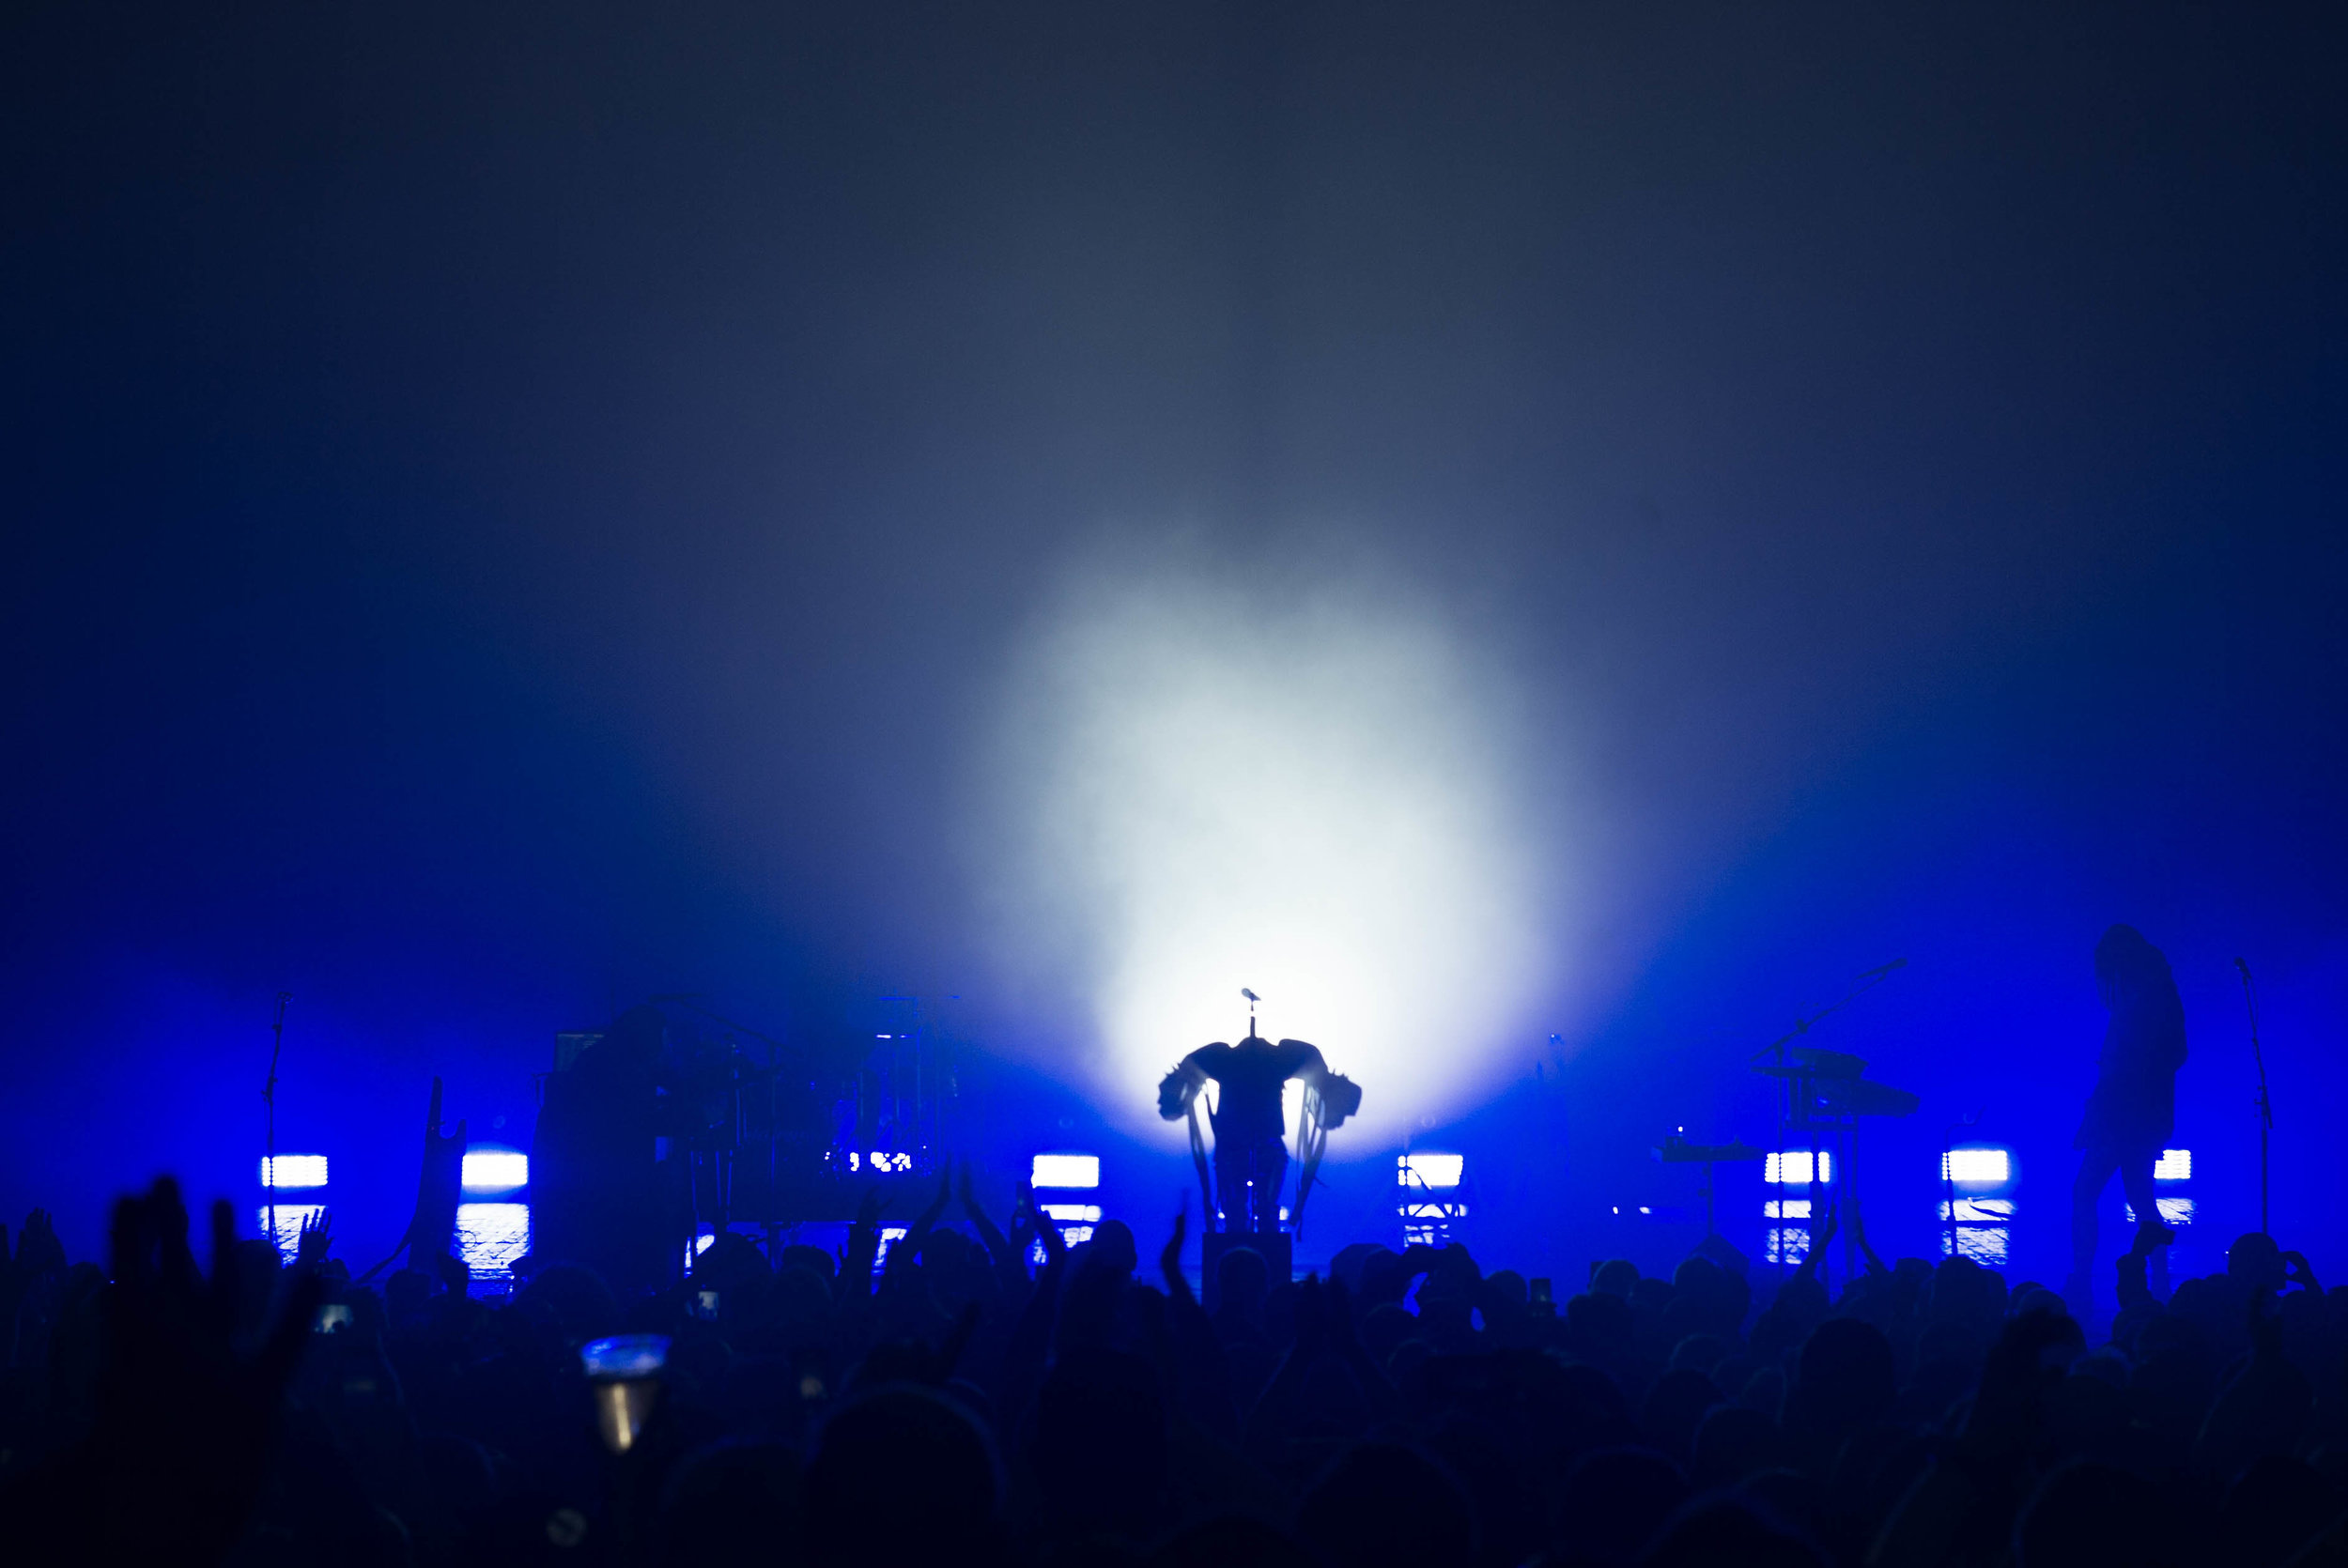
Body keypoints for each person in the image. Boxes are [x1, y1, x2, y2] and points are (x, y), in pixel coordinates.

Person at [2069, 924, 2187, 1308]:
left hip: (2122, 1114)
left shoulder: (2136, 1002)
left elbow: (2118, 1067)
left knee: (2086, 1192)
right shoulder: (2156, 993)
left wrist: (2095, 1114)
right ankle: (2158, 1278)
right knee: (2139, 1195)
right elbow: (2173, 1056)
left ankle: (2083, 1278)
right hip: (2146, 1115)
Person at [1157, 1035, 1359, 1233]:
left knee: (1242, 1211)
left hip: (1237, 1145)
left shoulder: (1221, 1058)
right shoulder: (1284, 1058)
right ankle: (1259, 1247)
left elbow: (1172, 1105)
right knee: (1258, 1209)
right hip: (1255, 1145)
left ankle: (1242, 1248)